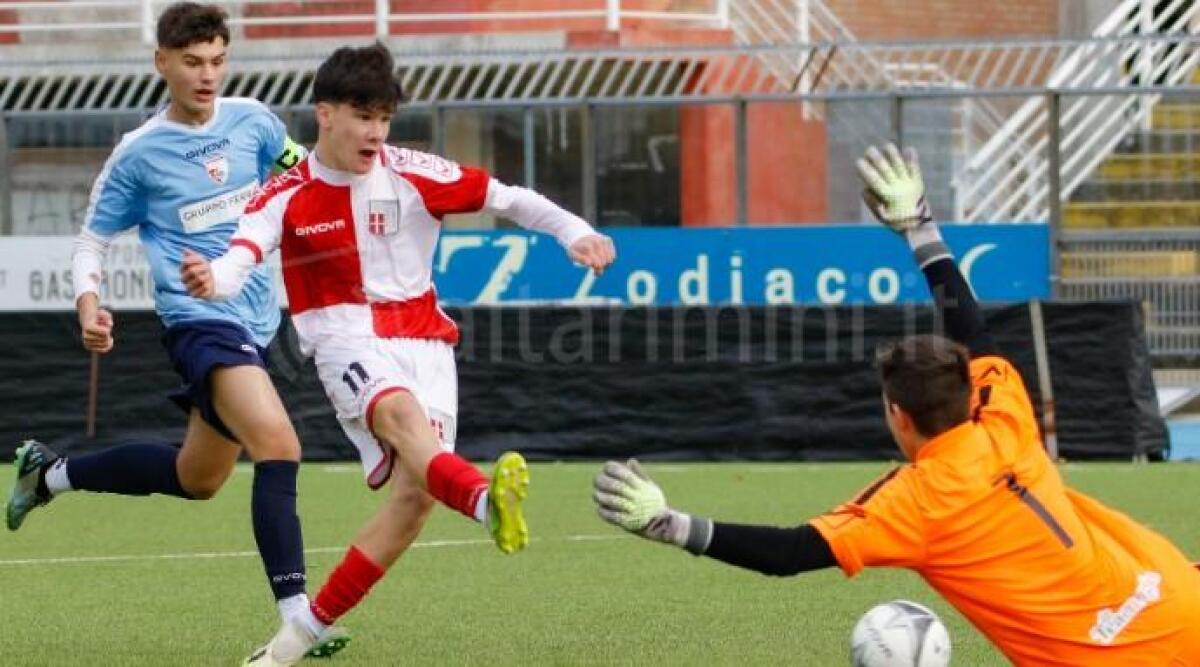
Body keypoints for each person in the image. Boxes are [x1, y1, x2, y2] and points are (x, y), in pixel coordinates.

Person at [592, 145, 1200, 665]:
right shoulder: (1004, 417)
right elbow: (974, 332)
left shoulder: (913, 503)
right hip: (1181, 601)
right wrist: (921, 228)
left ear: (898, 415)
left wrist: (668, 524)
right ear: (967, 392)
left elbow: (790, 553)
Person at [181, 43, 616, 666]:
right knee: (400, 418)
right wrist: (212, 281)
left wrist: (577, 232)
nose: (376, 132)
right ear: (325, 114)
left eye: (384, 118)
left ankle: (294, 642)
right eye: (364, 117)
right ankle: (485, 501)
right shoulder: (286, 193)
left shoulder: (413, 172)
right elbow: (239, 257)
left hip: (427, 342)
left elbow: (510, 198)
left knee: (414, 499)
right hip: (344, 340)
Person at [5, 2, 346, 658]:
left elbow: (304, 175)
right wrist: (88, 305)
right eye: (192, 62)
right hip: (198, 324)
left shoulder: (253, 122)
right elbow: (92, 239)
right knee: (279, 442)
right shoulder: (139, 154)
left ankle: (47, 475)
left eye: (217, 60)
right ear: (161, 62)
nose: (207, 74)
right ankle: (299, 618)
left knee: (198, 477)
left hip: (256, 320)